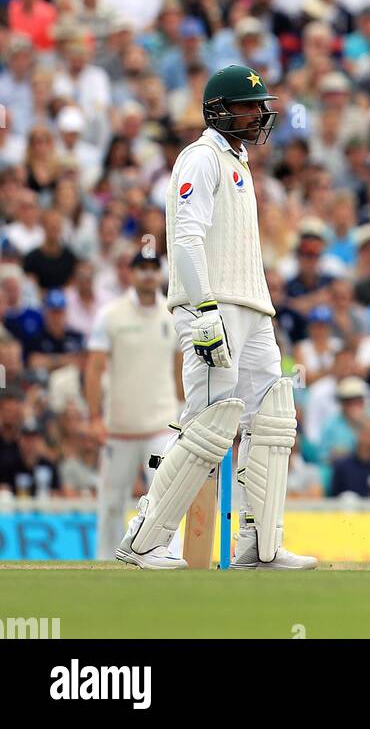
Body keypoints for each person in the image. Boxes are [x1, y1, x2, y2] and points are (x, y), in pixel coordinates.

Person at [116, 64, 317, 570]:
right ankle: (143, 540)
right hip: (213, 307)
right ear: (220, 110)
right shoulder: (201, 158)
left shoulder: (238, 160)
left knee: (270, 420)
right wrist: (203, 310)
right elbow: (184, 239)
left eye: (259, 106)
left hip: (252, 307)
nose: (258, 115)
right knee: (206, 425)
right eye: (249, 106)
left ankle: (257, 545)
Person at [85, 251, 181, 559]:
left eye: (154, 269)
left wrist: (182, 414)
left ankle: (167, 554)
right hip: (119, 430)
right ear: (131, 273)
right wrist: (95, 417)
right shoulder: (111, 315)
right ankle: (105, 561)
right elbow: (95, 367)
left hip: (160, 429)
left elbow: (181, 369)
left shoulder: (172, 315)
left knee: (164, 494)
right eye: (142, 269)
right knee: (112, 500)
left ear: (161, 274)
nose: (148, 275)